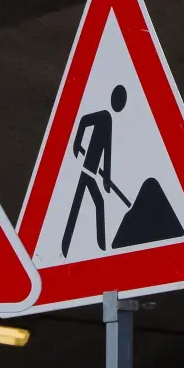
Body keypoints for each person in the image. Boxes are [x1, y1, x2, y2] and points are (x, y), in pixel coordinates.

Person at [62, 85, 127, 256]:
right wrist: (77, 143)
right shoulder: (104, 116)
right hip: (87, 170)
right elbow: (83, 120)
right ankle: (70, 246)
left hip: (91, 172)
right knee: (86, 204)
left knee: (93, 203)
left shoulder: (109, 121)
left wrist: (107, 177)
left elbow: (107, 151)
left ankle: (98, 248)